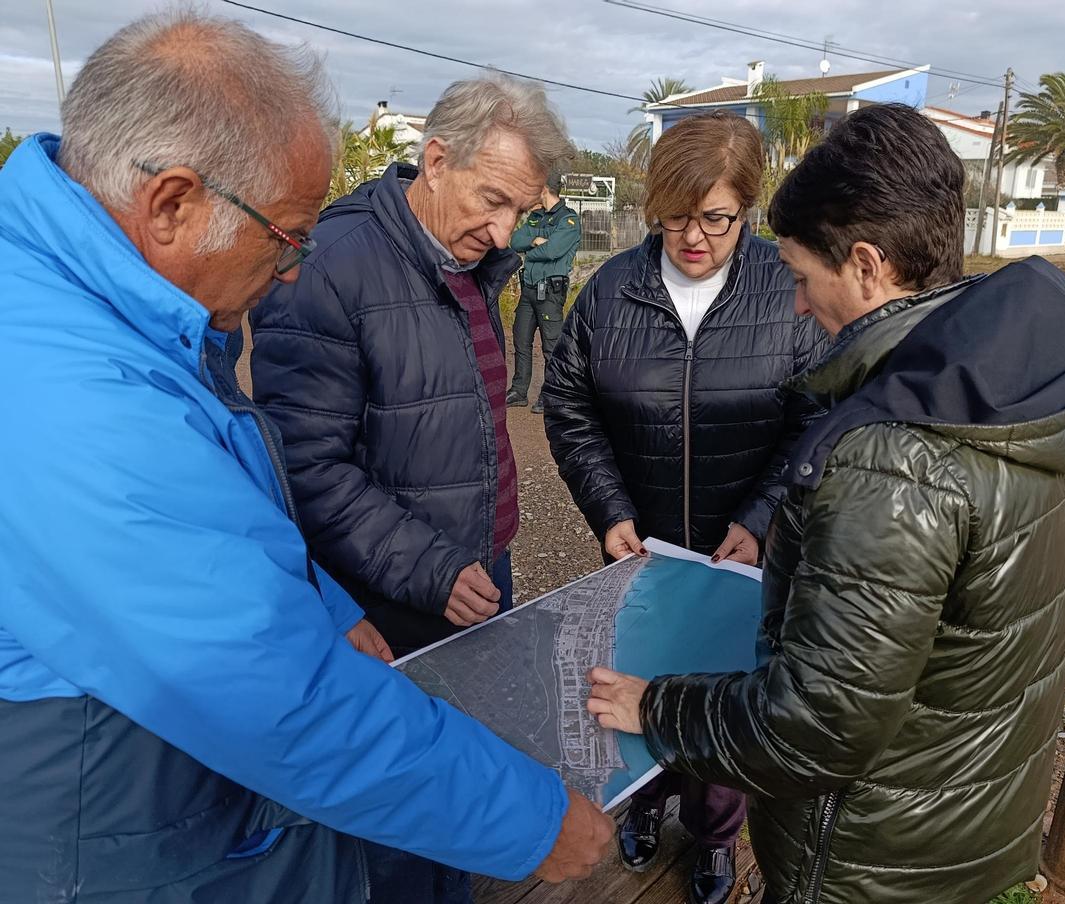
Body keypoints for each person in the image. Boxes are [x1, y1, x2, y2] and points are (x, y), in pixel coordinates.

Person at [0, 13, 613, 903]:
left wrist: (319, 603)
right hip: (118, 838)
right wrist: (528, 819)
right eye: (287, 236)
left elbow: (224, 517)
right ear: (173, 203)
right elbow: (273, 694)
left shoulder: (112, 313)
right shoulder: (76, 399)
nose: (293, 269)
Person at [586, 103, 1065, 904]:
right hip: (960, 816)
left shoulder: (888, 456)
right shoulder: (1012, 390)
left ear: (869, 265)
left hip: (868, 851)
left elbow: (816, 726)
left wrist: (657, 708)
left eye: (804, 279)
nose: (799, 306)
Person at [542, 111, 828, 904]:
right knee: (632, 685)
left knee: (726, 694)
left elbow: (814, 420)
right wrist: (608, 511)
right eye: (674, 216)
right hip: (639, 551)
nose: (693, 237)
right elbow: (569, 408)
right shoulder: (609, 291)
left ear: (749, 208)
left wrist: (765, 516)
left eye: (716, 218)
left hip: (743, 558)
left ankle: (711, 840)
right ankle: (642, 804)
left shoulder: (786, 291)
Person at [250, 75, 575, 657]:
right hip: (386, 594)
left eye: (521, 211)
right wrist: (430, 569)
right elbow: (306, 466)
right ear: (437, 160)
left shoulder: (471, 258)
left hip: (476, 571)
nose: (505, 233)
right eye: (493, 200)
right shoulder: (330, 269)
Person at [506, 172, 581, 413]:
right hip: (528, 290)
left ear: (544, 189)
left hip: (549, 292)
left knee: (551, 346)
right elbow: (516, 240)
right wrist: (536, 240)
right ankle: (519, 390)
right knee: (521, 340)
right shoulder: (536, 216)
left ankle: (550, 395)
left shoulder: (569, 220)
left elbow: (554, 251)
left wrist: (534, 247)